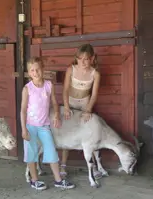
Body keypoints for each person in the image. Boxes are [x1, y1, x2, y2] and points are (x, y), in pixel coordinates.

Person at [20, 57, 75, 190]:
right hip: (30, 126)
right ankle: (34, 180)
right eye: (32, 70)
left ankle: (58, 179)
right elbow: (23, 110)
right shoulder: (27, 89)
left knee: (51, 151)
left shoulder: (48, 85)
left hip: (44, 126)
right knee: (31, 153)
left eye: (38, 69)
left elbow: (55, 102)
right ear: (29, 72)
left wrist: (57, 115)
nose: (35, 72)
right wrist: (24, 130)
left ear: (43, 69)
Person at [60, 44, 102, 179]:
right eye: (80, 59)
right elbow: (65, 90)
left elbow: (94, 95)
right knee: (67, 131)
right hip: (71, 102)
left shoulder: (95, 73)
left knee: (90, 134)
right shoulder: (71, 70)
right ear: (76, 58)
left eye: (86, 59)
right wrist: (66, 106)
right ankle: (63, 164)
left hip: (85, 103)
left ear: (92, 58)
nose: (83, 62)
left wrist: (88, 109)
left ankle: (94, 166)